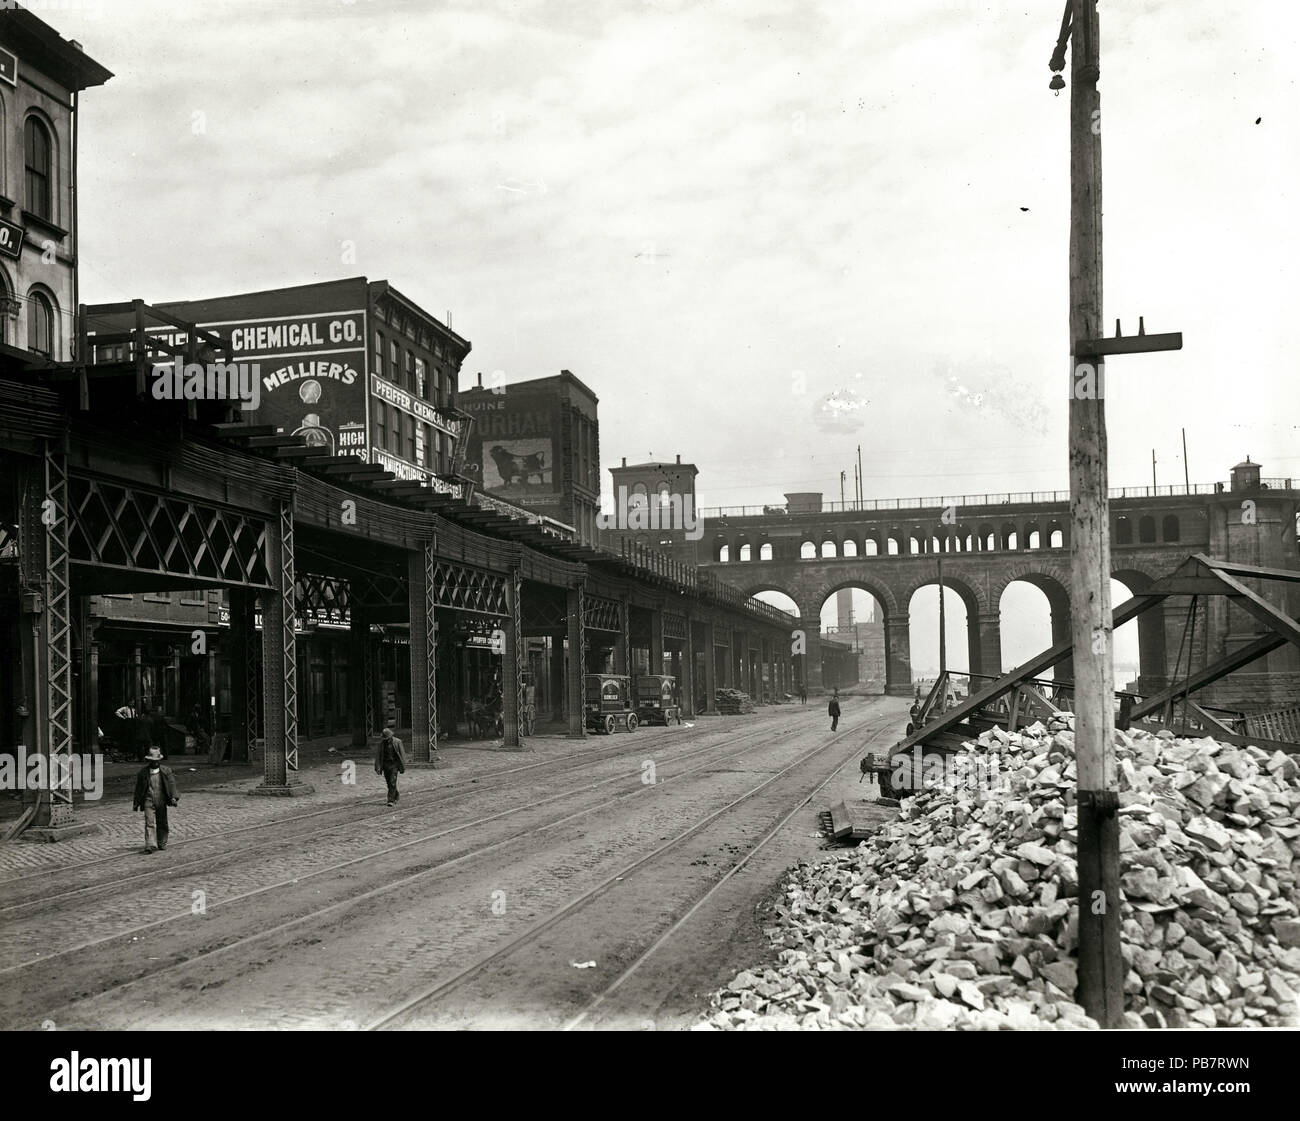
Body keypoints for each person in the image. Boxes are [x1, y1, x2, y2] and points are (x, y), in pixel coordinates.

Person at [132, 746, 179, 854]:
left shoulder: (166, 771)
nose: (155, 763)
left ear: (159, 760)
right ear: (149, 760)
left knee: (162, 822)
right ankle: (151, 844)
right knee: (149, 822)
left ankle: (162, 842)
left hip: (161, 799)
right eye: (153, 761)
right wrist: (136, 803)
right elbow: (138, 789)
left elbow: (172, 785)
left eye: (157, 760)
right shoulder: (143, 773)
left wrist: (173, 797)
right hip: (148, 800)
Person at [374, 725, 406, 806]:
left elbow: (402, 755)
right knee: (389, 783)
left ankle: (390, 800)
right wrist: (377, 767)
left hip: (394, 764)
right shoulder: (381, 744)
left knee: (392, 781)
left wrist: (402, 766)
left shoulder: (397, 742)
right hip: (385, 765)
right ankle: (396, 794)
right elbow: (378, 756)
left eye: (387, 738)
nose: (386, 740)